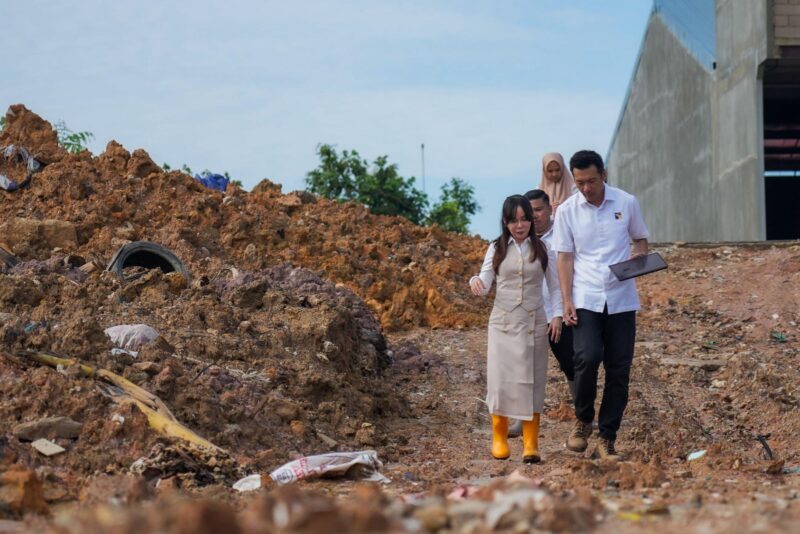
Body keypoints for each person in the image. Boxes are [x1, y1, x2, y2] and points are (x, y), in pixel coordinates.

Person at [553, 150, 649, 461]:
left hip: (621, 298)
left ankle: (607, 438)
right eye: (579, 183)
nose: (586, 188)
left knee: (619, 369)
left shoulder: (626, 202)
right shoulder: (567, 211)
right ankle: (583, 420)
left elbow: (641, 240)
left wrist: (639, 256)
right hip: (585, 297)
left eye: (591, 181)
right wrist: (566, 300)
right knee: (587, 357)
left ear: (603, 175)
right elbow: (564, 257)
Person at [469, 195, 562, 463]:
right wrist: (475, 281)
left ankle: (531, 443)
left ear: (531, 221)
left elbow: (555, 287)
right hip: (503, 323)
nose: (519, 226)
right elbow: (485, 282)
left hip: (534, 322)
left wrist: (557, 315)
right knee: (500, 380)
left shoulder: (543, 248)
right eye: (513, 221)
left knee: (533, 379)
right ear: (505, 222)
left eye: (524, 219)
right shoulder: (496, 247)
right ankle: (499, 436)